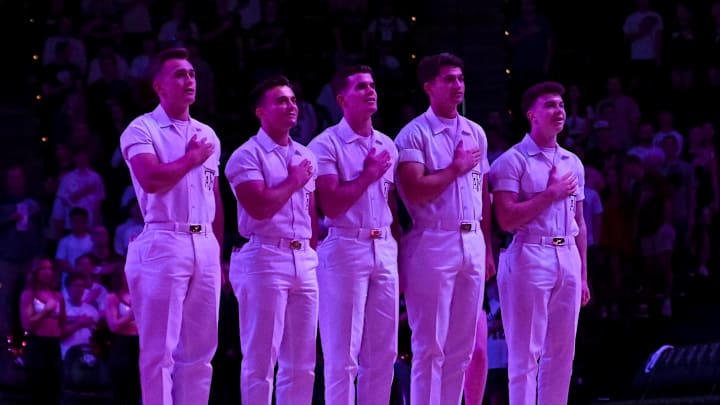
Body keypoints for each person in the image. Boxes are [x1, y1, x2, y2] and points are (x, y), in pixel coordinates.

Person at [119, 46, 224, 405]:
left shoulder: (209, 134)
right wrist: (192, 157)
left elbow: (215, 197)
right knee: (159, 352)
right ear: (159, 86)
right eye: (179, 74)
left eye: (192, 74)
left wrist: (218, 252)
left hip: (205, 243)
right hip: (163, 238)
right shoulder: (141, 128)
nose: (189, 80)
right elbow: (150, 179)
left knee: (200, 353)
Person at [394, 52, 495, 405]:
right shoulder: (413, 134)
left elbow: (482, 193)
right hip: (432, 239)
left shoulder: (475, 132)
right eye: (449, 79)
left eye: (461, 79)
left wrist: (489, 248)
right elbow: (413, 189)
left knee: (462, 349)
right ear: (429, 87)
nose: (458, 86)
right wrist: (454, 167)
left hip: (473, 240)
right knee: (429, 346)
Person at [489, 81, 591, 405]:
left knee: (562, 353)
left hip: (567, 255)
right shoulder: (512, 160)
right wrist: (549, 194)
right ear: (532, 114)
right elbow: (505, 219)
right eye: (550, 105)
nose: (558, 110)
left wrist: (584, 273)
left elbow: (580, 221)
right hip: (528, 253)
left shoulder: (572, 162)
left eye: (561, 105)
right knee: (525, 355)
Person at [307, 65, 399, 405]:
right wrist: (370, 173)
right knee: (342, 354)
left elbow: (390, 202)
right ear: (342, 99)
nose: (371, 91)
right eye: (361, 87)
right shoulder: (324, 144)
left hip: (383, 245)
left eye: (373, 85)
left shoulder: (388, 143)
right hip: (344, 246)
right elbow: (330, 204)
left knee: (383, 352)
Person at [224, 75, 319, 405]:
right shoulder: (246, 156)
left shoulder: (306, 155)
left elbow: (311, 213)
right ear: (260, 112)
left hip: (303, 257)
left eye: (293, 100)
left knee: (303, 363)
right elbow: (260, 206)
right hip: (264, 255)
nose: (290, 106)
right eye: (281, 100)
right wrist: (294, 180)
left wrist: (312, 252)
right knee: (261, 360)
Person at [19, 257, 65, 405]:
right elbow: (27, 324)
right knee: (38, 392)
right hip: (37, 345)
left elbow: (62, 324)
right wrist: (46, 311)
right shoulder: (28, 294)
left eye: (50, 268)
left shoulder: (58, 296)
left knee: (54, 391)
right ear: (36, 272)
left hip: (54, 345)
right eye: (44, 268)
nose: (48, 272)